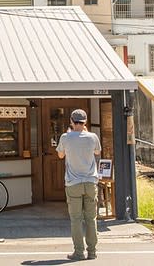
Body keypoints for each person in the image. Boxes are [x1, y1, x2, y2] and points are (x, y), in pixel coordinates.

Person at [56, 109, 101, 261]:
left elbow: (61, 155)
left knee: (76, 219)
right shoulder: (93, 137)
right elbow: (97, 152)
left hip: (73, 182)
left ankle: (79, 252)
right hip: (90, 182)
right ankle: (93, 251)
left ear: (71, 121)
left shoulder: (65, 137)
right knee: (91, 218)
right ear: (85, 121)